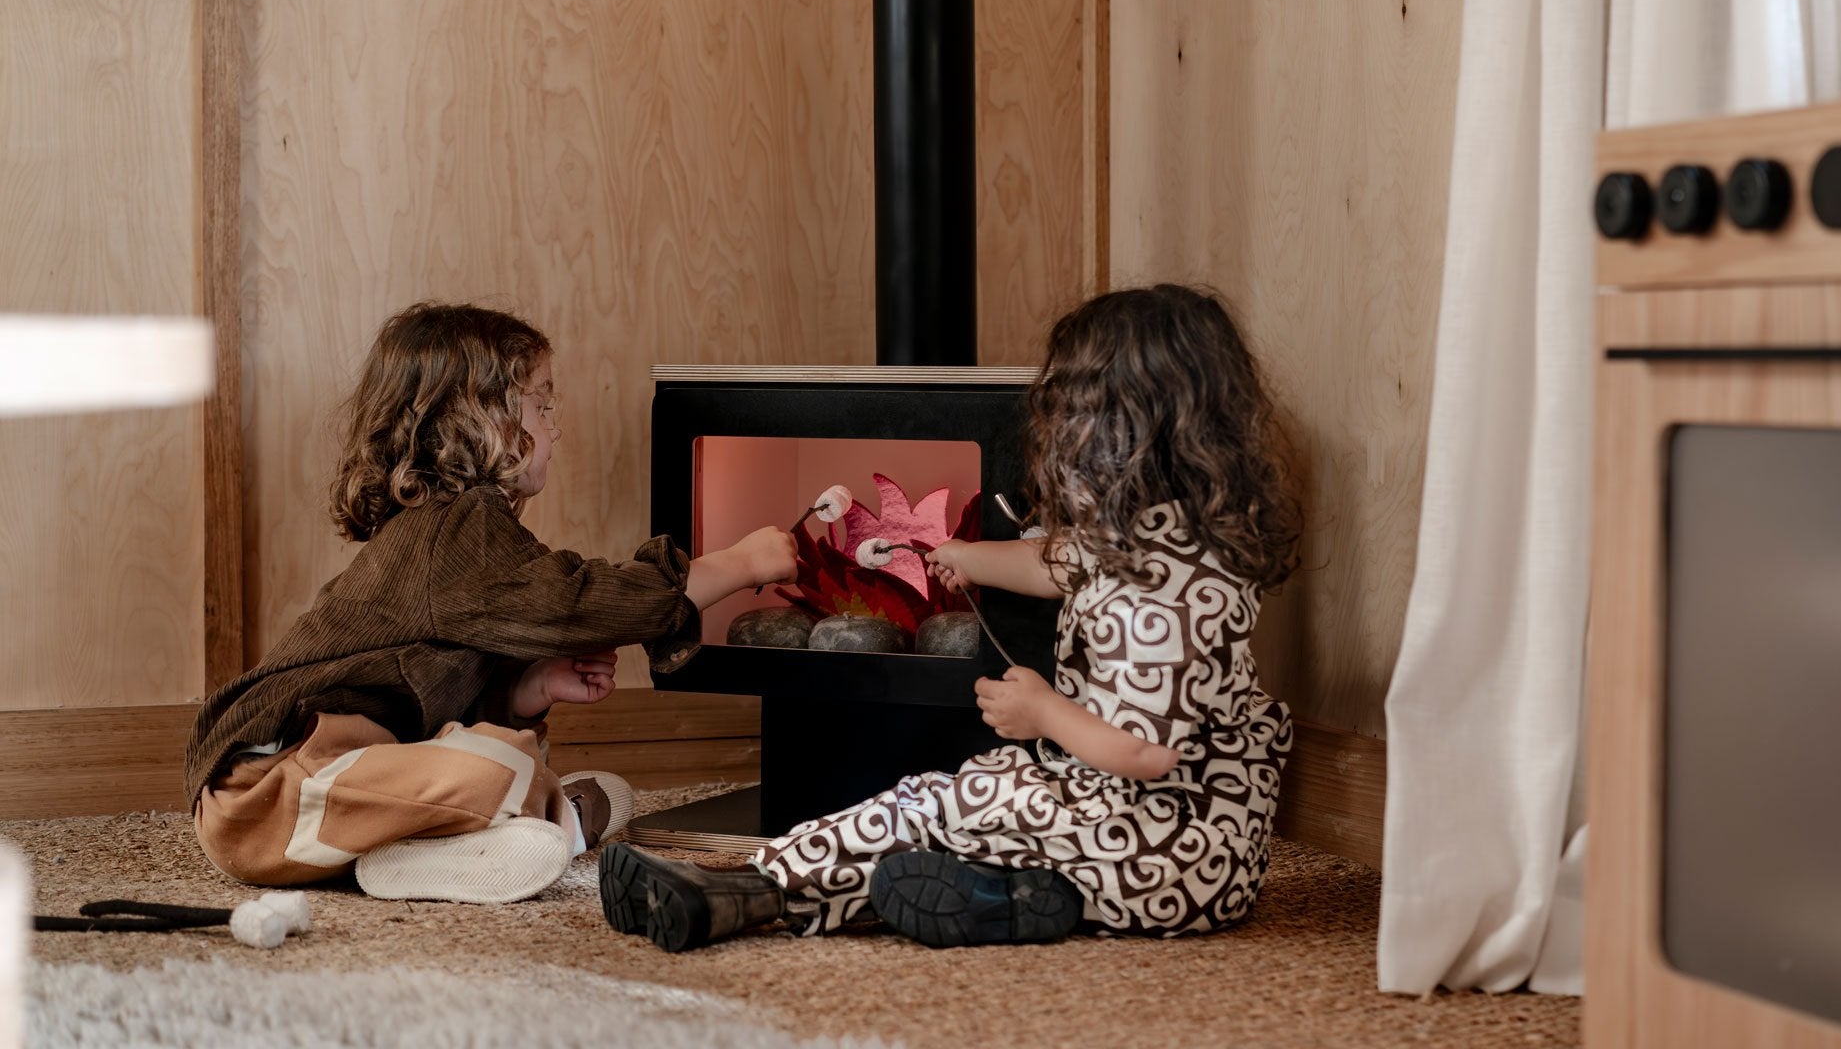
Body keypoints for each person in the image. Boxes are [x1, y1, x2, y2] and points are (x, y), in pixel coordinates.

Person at [599, 284, 1301, 949]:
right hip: (1117, 822)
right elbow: (1055, 564)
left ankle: (985, 895)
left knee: (955, 805)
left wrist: (1042, 712)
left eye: (1077, 418)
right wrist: (965, 554)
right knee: (944, 801)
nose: (1059, 436)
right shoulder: (1148, 538)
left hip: (1170, 855)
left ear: (1145, 432)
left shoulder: (1171, 596)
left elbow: (1146, 753)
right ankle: (755, 896)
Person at [185, 302, 796, 904]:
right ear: (478, 417)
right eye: (542, 404)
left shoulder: (456, 534)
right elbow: (575, 602)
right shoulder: (455, 525)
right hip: (271, 797)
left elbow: (427, 692)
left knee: (502, 757)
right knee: (500, 766)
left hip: (335, 798)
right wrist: (735, 564)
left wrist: (528, 688)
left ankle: (432, 850)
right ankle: (545, 824)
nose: (554, 427)